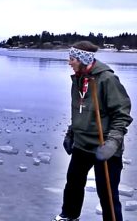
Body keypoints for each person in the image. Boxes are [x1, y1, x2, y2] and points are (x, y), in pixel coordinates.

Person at [53, 41, 133, 221]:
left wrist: (113, 143)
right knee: (73, 183)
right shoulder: (78, 79)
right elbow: (79, 110)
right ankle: (69, 216)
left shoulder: (106, 80)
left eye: (72, 59)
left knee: (107, 194)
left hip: (104, 146)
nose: (69, 62)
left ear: (82, 59)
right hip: (82, 144)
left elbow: (121, 115)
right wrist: (70, 133)